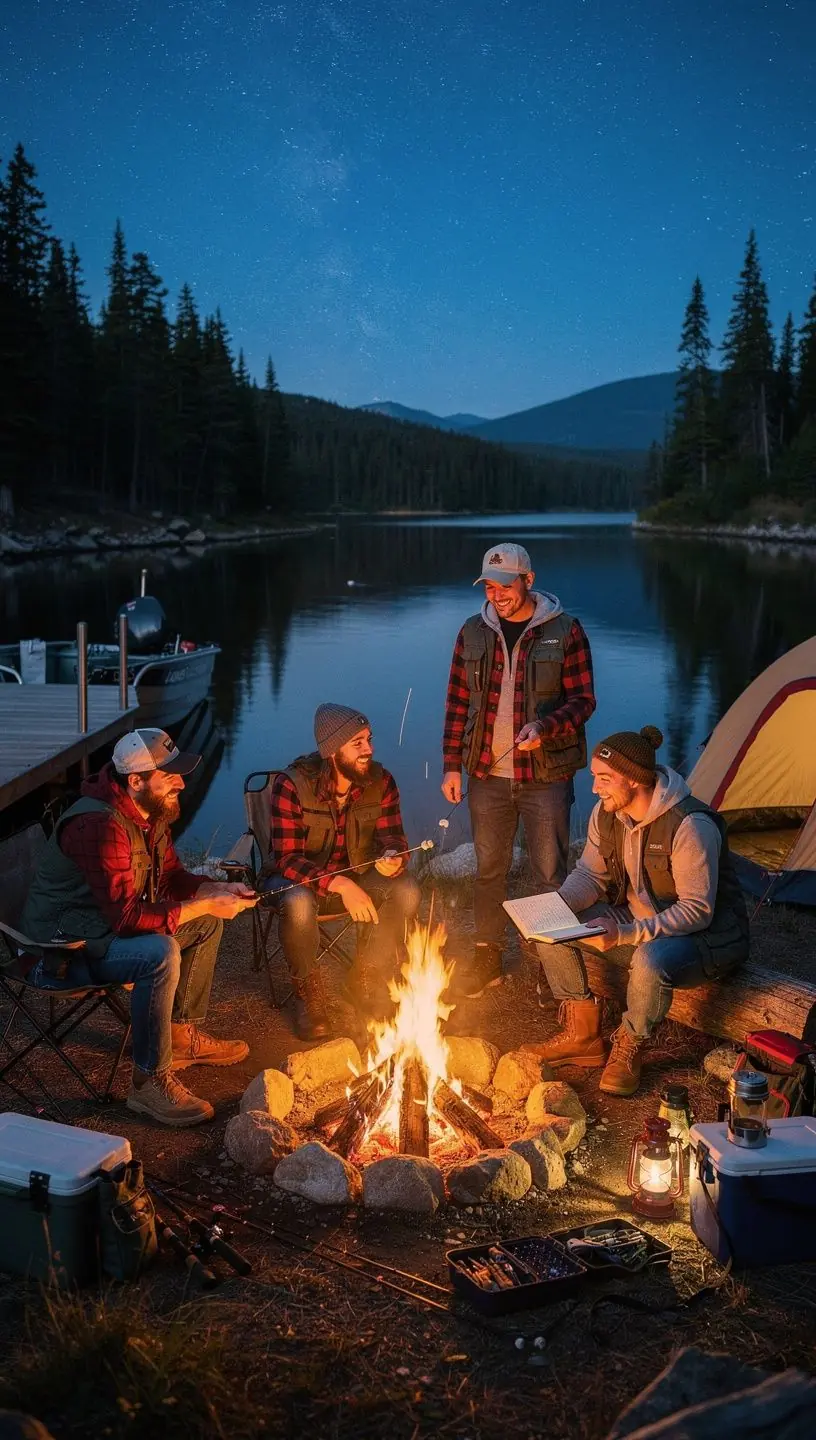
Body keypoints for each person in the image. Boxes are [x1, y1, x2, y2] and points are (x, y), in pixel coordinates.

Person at [20, 728, 258, 1126]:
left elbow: (173, 876)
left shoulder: (150, 813)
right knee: (159, 953)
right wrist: (201, 904)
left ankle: (179, 1036)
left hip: (100, 930)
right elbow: (128, 920)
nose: (181, 783)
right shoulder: (99, 824)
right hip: (60, 949)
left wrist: (213, 888)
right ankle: (149, 1082)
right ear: (136, 780)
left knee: (206, 924)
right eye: (170, 776)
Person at [528, 725, 749, 1096]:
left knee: (648, 958)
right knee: (549, 923)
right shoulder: (607, 813)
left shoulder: (690, 826)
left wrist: (627, 934)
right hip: (636, 921)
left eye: (604, 779)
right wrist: (555, 906)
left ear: (633, 780)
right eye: (595, 777)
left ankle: (630, 1043)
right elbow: (589, 875)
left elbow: (697, 911)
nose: (595, 788)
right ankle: (583, 1035)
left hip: (705, 938)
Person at [442, 541, 596, 997]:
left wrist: (546, 728)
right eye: (489, 585)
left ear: (528, 580)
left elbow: (584, 701)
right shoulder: (472, 632)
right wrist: (453, 765)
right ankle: (487, 956)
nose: (497, 594)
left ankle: (549, 961)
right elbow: (456, 705)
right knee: (489, 870)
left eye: (505, 585)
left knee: (548, 872)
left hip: (545, 777)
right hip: (487, 777)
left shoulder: (565, 631)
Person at [265, 703, 422, 1041]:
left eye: (369, 739)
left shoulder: (381, 782)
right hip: (297, 881)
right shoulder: (290, 785)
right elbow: (288, 859)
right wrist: (339, 884)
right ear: (333, 750)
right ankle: (308, 993)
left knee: (407, 891)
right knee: (297, 902)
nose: (370, 749)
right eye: (358, 743)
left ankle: (366, 975)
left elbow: (393, 838)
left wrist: (392, 857)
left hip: (358, 876)